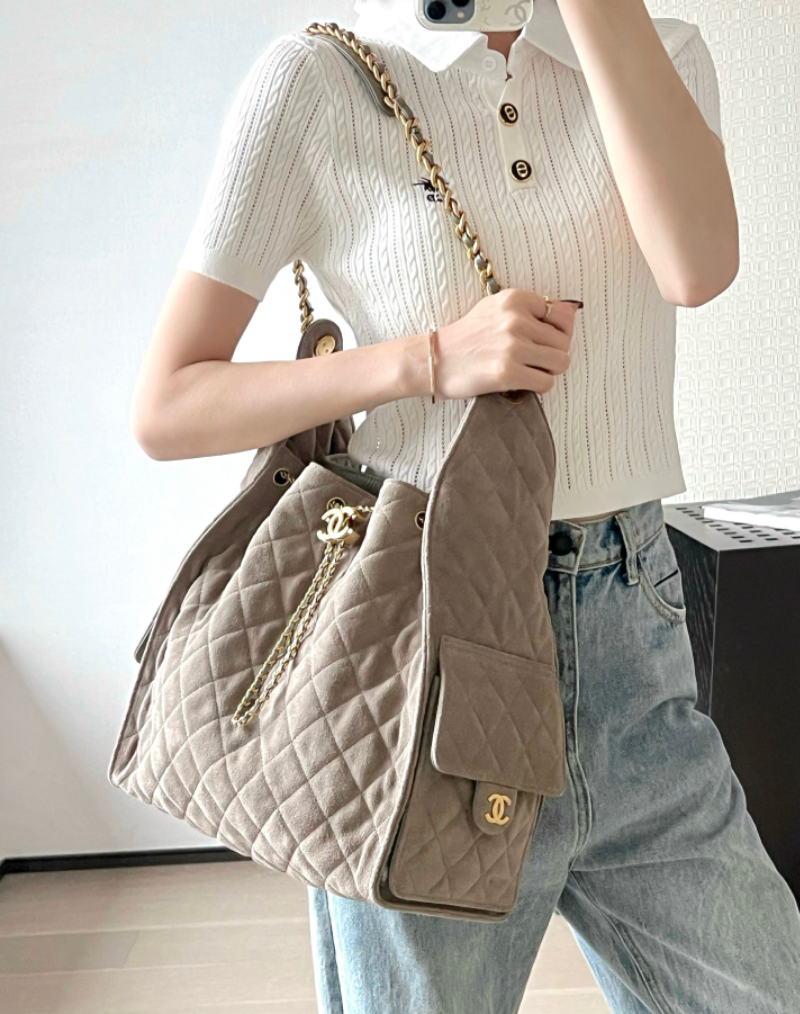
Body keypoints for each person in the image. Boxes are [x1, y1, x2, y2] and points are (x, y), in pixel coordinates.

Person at [130, 0, 800, 1010]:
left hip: (634, 634)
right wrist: (427, 361)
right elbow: (169, 403)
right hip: (420, 651)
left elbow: (695, 269)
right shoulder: (319, 81)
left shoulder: (658, 48)